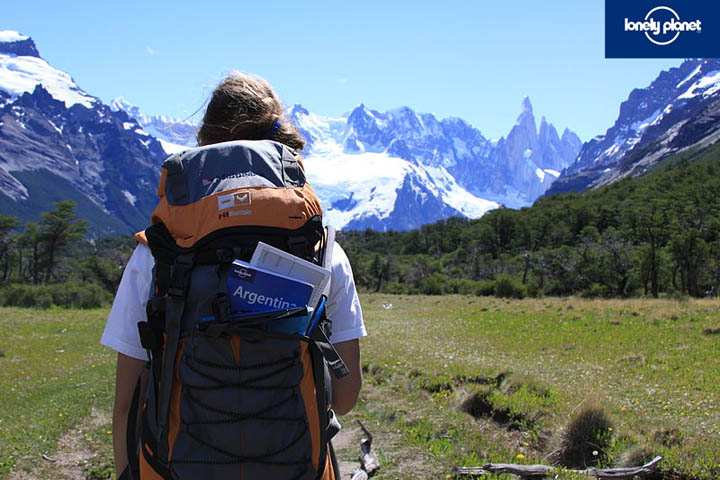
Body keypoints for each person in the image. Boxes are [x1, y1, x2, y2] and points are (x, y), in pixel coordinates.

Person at [100, 72, 366, 477]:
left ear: (205, 144)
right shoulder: (321, 250)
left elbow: (125, 406)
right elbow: (344, 397)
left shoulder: (158, 251)